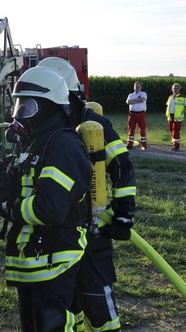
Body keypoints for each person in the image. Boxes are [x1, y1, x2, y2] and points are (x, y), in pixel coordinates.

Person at [0, 66, 93, 331]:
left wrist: (8, 206)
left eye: (28, 107)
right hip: (35, 261)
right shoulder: (37, 141)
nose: (20, 114)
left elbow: (49, 208)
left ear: (49, 108)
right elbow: (23, 169)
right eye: (18, 105)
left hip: (55, 260)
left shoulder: (62, 146)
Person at [37, 57, 137, 332]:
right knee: (66, 301)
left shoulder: (94, 123)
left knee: (96, 297)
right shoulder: (42, 129)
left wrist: (123, 216)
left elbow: (122, 167)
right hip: (59, 231)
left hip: (93, 229)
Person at [165, 83, 186, 151]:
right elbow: (168, 105)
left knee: (176, 131)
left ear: (179, 89)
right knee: (171, 131)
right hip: (170, 116)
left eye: (176, 88)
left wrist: (183, 112)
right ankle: (174, 144)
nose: (175, 89)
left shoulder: (182, 97)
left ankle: (177, 146)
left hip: (178, 117)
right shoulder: (170, 97)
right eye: (174, 88)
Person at [126, 81, 148, 151]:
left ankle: (143, 145)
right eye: (136, 86)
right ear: (134, 87)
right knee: (131, 129)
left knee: (142, 129)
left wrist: (133, 101)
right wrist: (136, 101)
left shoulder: (143, 93)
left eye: (138, 86)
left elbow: (142, 100)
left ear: (141, 87)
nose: (137, 87)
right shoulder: (130, 95)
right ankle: (129, 144)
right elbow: (128, 102)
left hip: (141, 114)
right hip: (132, 114)